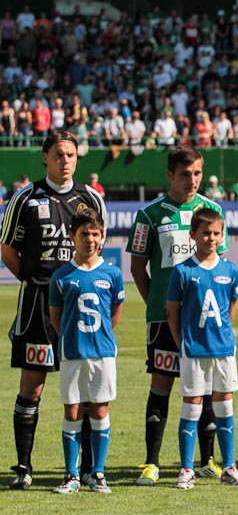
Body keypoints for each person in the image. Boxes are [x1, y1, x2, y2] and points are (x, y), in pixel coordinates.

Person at [1, 131, 107, 490]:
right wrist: (35, 284)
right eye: (59, 154)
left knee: (88, 392)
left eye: (71, 155)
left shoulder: (91, 198)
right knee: (32, 387)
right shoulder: (26, 198)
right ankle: (24, 468)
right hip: (36, 304)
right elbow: (8, 251)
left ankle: (89, 470)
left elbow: (99, 251)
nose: (65, 161)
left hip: (81, 305)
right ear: (45, 157)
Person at [127, 146, 228, 486]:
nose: (192, 180)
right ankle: (151, 462)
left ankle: (207, 460)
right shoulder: (150, 214)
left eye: (197, 173)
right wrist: (156, 302)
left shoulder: (213, 211)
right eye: (185, 174)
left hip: (204, 323)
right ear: (170, 175)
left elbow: (222, 267)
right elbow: (138, 266)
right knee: (161, 385)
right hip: (164, 319)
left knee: (206, 387)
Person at [166, 209, 238, 489]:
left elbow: (230, 308)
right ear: (193, 235)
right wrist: (183, 343)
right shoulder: (182, 271)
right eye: (205, 233)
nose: (211, 238)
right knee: (191, 410)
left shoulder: (231, 270)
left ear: (222, 235)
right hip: (194, 350)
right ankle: (187, 469)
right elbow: (171, 312)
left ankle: (229, 467)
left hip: (223, 349)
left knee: (225, 408)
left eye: (216, 233)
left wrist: (221, 336)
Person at [49, 208, 124, 494]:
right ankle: (71, 475)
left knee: (100, 409)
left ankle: (98, 473)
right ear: (72, 237)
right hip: (72, 352)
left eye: (95, 234)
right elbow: (56, 318)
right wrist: (72, 338)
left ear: (102, 236)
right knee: (72, 411)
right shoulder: (62, 275)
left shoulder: (112, 273)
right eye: (84, 234)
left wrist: (101, 337)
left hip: (102, 353)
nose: (90, 240)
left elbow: (114, 313)